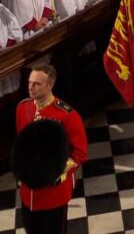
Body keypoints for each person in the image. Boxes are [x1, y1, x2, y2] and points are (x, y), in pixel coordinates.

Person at [16, 65, 87, 234]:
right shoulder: (23, 108)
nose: (31, 87)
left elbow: (79, 154)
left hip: (53, 193)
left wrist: (56, 176)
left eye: (37, 84)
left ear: (50, 85)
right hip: (28, 191)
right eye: (29, 82)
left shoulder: (67, 115)